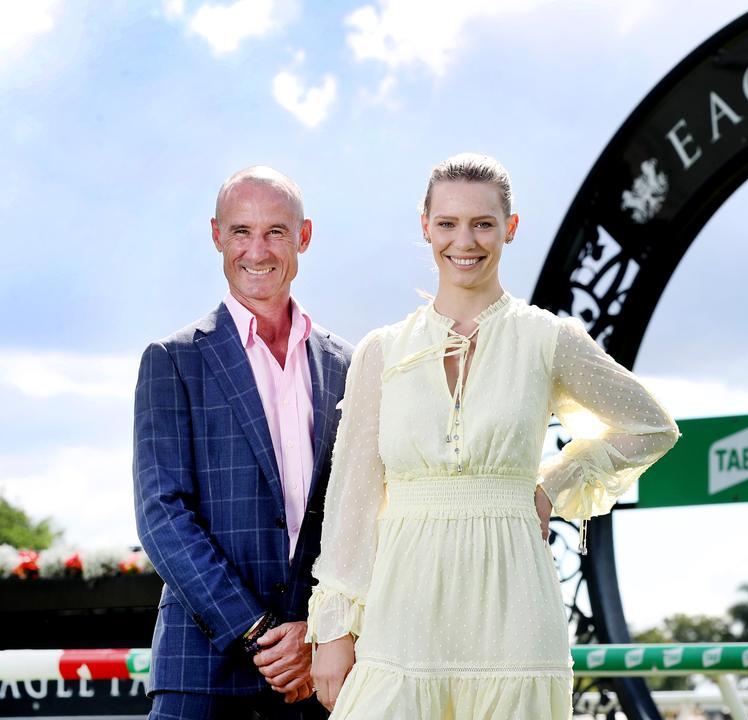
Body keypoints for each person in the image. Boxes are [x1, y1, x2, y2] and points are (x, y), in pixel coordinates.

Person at [307, 153, 679, 718]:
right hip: (403, 612)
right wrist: (335, 628)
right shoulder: (382, 351)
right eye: (448, 223)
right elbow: (352, 499)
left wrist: (554, 485)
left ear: (510, 228)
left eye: (483, 223)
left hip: (515, 606)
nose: (466, 241)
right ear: (425, 226)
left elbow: (651, 426)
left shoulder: (547, 338)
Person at [133, 166, 353, 718]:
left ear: (304, 237)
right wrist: (259, 632)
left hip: (313, 679)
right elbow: (162, 515)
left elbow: (359, 517)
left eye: (276, 231)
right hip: (202, 677)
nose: (258, 250)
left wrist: (317, 631)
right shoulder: (173, 361)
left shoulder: (349, 366)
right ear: (216, 236)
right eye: (241, 231)